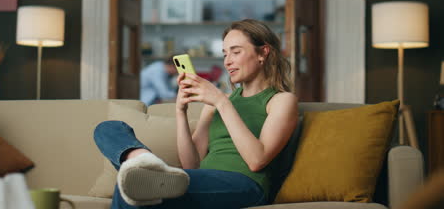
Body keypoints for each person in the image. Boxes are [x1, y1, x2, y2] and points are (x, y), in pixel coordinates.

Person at [94, 19, 298, 209]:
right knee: (108, 130)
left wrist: (221, 101)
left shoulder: (281, 100)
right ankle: (143, 159)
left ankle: (147, 170)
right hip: (201, 179)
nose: (227, 61)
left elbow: (257, 160)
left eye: (235, 52)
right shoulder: (217, 102)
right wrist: (180, 111)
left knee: (129, 183)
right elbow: (192, 164)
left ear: (263, 52)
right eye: (225, 54)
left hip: (246, 184)